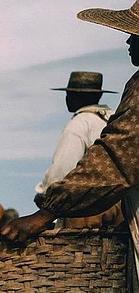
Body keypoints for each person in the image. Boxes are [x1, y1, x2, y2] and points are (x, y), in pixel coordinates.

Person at [1, 0, 139, 293]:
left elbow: (113, 162)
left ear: (75, 97)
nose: (130, 44)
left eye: (136, 36)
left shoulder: (82, 123)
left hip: (85, 206)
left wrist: (45, 214)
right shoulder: (104, 115)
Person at [35, 71, 123, 228]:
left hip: (88, 210)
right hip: (120, 206)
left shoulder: (79, 124)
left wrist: (45, 196)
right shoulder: (115, 119)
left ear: (76, 97)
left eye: (69, 95)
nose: (67, 99)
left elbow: (63, 169)